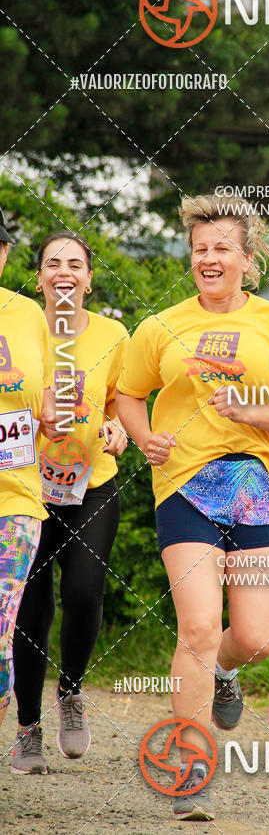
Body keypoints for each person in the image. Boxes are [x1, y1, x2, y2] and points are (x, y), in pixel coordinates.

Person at [115, 195, 269, 821]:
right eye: (200, 248)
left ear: (247, 256)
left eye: (222, 247)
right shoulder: (161, 326)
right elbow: (126, 393)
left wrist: (249, 411)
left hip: (258, 485)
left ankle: (226, 673)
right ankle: (189, 772)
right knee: (198, 628)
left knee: (257, 636)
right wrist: (145, 436)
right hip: (187, 484)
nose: (209, 258)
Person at [11, 232, 128, 774]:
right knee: (32, 608)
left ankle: (72, 691)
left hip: (93, 485)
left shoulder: (112, 333)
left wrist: (118, 428)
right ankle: (28, 729)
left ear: (88, 278)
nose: (64, 271)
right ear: (38, 277)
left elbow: (120, 402)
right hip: (30, 485)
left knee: (84, 591)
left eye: (75, 264)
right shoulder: (22, 326)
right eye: (52, 263)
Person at [0, 211, 56, 735]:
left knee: (0, 628)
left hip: (16, 498)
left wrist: (51, 419)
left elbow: (44, 401)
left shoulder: (27, 315)